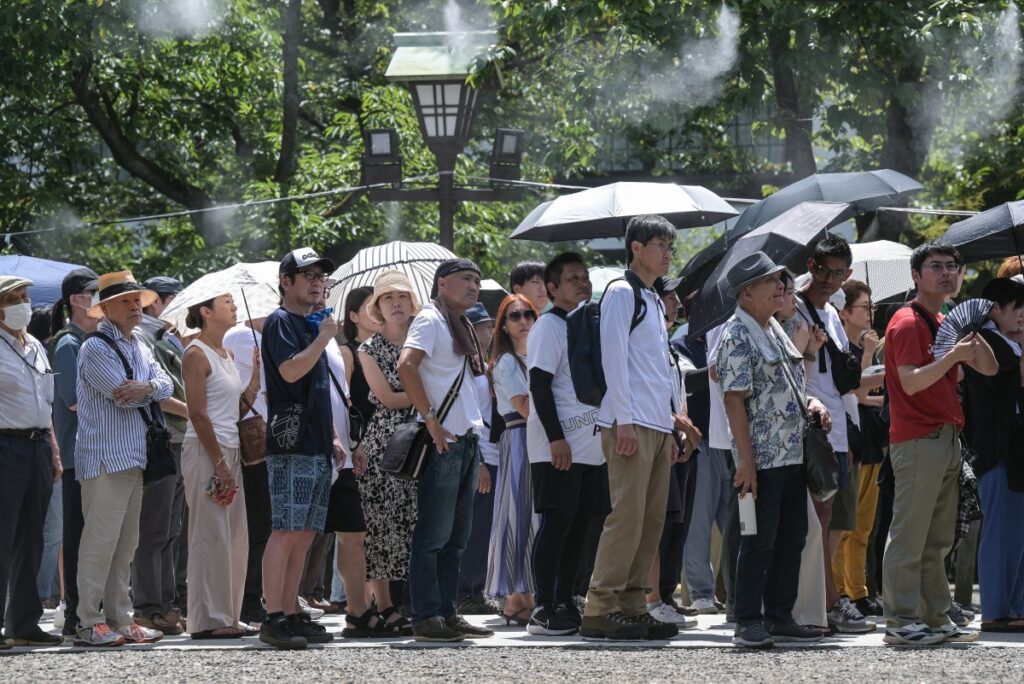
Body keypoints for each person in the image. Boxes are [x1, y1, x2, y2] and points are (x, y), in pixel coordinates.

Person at [882, 240, 997, 645]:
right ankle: (899, 621)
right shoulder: (908, 321)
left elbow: (989, 367)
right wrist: (951, 358)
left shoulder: (945, 319)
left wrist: (969, 335)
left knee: (938, 538)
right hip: (917, 438)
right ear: (916, 276)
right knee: (910, 534)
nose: (947, 273)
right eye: (936, 266)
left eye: (953, 266)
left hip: (946, 437)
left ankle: (934, 616)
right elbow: (911, 382)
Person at [719, 252, 830, 648]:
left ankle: (780, 615)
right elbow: (734, 400)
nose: (780, 287)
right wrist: (745, 462)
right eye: (771, 282)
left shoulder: (773, 327)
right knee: (757, 539)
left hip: (792, 453)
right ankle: (748, 619)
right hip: (761, 460)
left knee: (792, 536)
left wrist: (813, 404)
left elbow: (790, 381)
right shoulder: (735, 334)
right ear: (748, 292)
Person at [580, 215, 680, 642]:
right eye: (660, 245)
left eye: (669, 247)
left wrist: (672, 426)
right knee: (626, 516)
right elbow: (613, 360)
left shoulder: (654, 299)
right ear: (636, 248)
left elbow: (658, 370)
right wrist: (622, 419)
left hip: (655, 423)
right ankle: (601, 606)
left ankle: (634, 604)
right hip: (630, 420)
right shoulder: (622, 292)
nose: (667, 254)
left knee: (651, 519)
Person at [74, 271, 175, 647]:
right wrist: (149, 388)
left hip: (134, 457)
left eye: (138, 301)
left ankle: (120, 617)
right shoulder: (95, 347)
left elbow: (164, 384)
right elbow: (122, 394)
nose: (136, 307)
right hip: (105, 459)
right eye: (127, 302)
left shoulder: (141, 343)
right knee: (100, 543)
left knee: (126, 545)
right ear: (107, 308)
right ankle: (89, 620)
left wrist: (147, 386)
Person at [399, 258, 495, 642]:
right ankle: (425, 616)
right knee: (433, 535)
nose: (473, 286)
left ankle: (446, 611)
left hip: (467, 439)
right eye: (465, 280)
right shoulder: (430, 319)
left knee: (456, 538)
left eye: (476, 280)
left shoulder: (462, 324)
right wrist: (431, 420)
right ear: (442, 284)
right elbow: (407, 365)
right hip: (444, 439)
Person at [259, 248, 342, 649]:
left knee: (306, 533)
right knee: (287, 530)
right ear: (285, 282)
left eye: (319, 276)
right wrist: (325, 337)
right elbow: (290, 371)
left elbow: (318, 388)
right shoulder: (280, 322)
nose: (315, 282)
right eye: (305, 275)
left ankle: (291, 611)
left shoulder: (311, 323)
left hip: (316, 442)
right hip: (291, 440)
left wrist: (335, 438)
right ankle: (273, 615)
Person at [794, 235, 875, 635]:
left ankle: (827, 600)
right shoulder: (793, 307)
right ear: (810, 265)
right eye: (823, 269)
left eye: (838, 273)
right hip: (813, 430)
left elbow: (844, 379)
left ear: (848, 273)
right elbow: (793, 372)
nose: (828, 279)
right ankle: (824, 602)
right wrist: (809, 350)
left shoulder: (833, 313)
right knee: (819, 521)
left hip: (842, 430)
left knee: (839, 523)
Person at [525, 252, 609, 637]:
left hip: (592, 444)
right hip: (559, 443)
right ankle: (543, 606)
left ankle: (568, 597)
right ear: (553, 288)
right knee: (557, 522)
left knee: (581, 526)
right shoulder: (548, 326)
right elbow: (540, 383)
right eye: (573, 278)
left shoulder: (589, 323)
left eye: (585, 276)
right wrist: (557, 438)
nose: (582, 283)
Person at [181, 293, 258, 638]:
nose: (234, 306)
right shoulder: (196, 353)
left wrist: (255, 377)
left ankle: (227, 613)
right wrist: (219, 463)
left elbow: (235, 410)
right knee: (209, 536)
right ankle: (206, 620)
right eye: (227, 302)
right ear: (206, 312)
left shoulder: (225, 353)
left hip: (230, 448)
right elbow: (197, 414)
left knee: (234, 538)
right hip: (206, 450)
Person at [356, 272, 421, 636]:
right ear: (377, 307)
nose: (395, 303)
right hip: (387, 443)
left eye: (402, 296)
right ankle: (384, 605)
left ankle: (422, 600)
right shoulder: (369, 349)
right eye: (387, 298)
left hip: (428, 438)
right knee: (381, 525)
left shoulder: (425, 340)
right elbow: (388, 397)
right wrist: (429, 397)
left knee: (420, 523)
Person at [0, 275, 63, 648]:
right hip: (5, 443)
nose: (24, 303)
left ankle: (23, 622)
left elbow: (47, 401)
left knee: (32, 537)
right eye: (14, 298)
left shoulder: (36, 345)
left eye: (25, 296)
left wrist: (53, 447)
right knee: (2, 535)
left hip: (38, 444)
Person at [960, 277, 1024, 632]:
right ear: (995, 309)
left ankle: (1014, 605)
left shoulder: (1007, 341)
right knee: (1000, 530)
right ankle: (997, 609)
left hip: (1012, 446)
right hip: (995, 445)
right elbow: (1005, 381)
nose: (1022, 317)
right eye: (1018, 309)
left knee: (1017, 531)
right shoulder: (983, 340)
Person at [133, 275, 189, 635]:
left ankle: (167, 603)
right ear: (157, 301)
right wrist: (197, 412)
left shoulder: (168, 338)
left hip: (181, 437)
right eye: (173, 298)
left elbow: (167, 386)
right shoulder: (144, 338)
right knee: (154, 530)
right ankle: (148, 605)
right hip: (162, 438)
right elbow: (159, 393)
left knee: (173, 528)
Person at [774, 271, 829, 631]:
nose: (792, 297)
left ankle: (804, 612)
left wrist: (809, 351)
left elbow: (799, 384)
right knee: (772, 535)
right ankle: (780, 612)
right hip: (767, 447)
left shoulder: (788, 330)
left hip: (795, 443)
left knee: (805, 530)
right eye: (784, 290)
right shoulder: (753, 330)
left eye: (791, 289)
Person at [646, 276, 701, 629]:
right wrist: (676, 427)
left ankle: (665, 595)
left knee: (674, 523)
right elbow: (647, 394)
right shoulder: (648, 344)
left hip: (678, 439)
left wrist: (683, 431)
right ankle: (650, 599)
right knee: (656, 521)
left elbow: (675, 394)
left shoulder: (669, 345)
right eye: (668, 297)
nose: (675, 304)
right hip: (658, 437)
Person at [48, 268, 99, 638]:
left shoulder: (91, 339)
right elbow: (73, 402)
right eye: (96, 293)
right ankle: (75, 614)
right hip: (76, 457)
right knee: (78, 537)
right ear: (78, 300)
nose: (102, 300)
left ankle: (87, 611)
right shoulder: (69, 343)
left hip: (94, 456)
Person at [485, 294, 539, 625]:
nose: (523, 320)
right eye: (515, 315)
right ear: (504, 325)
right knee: (517, 513)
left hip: (536, 437)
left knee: (532, 515)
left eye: (529, 314)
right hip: (520, 436)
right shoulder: (505, 362)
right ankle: (515, 595)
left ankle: (524, 595)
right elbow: (525, 408)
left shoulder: (538, 356)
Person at [833, 280, 886, 618]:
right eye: (863, 307)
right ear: (845, 312)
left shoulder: (870, 347)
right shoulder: (843, 350)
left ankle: (860, 590)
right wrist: (867, 353)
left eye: (871, 307)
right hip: (853, 441)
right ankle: (841, 591)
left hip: (873, 440)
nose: (869, 313)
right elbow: (857, 390)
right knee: (845, 524)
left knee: (865, 525)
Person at [223, 317, 271, 627]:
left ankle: (256, 596)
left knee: (264, 525)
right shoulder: (242, 335)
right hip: (250, 434)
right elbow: (243, 389)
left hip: (266, 435)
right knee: (256, 525)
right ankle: (247, 600)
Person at [457, 303, 498, 615]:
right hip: (479, 454)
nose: (489, 330)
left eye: (488, 325)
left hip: (495, 455)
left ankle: (477, 588)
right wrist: (481, 461)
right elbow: (472, 417)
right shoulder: (466, 367)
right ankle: (466, 591)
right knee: (476, 527)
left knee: (485, 528)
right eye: (482, 326)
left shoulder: (483, 364)